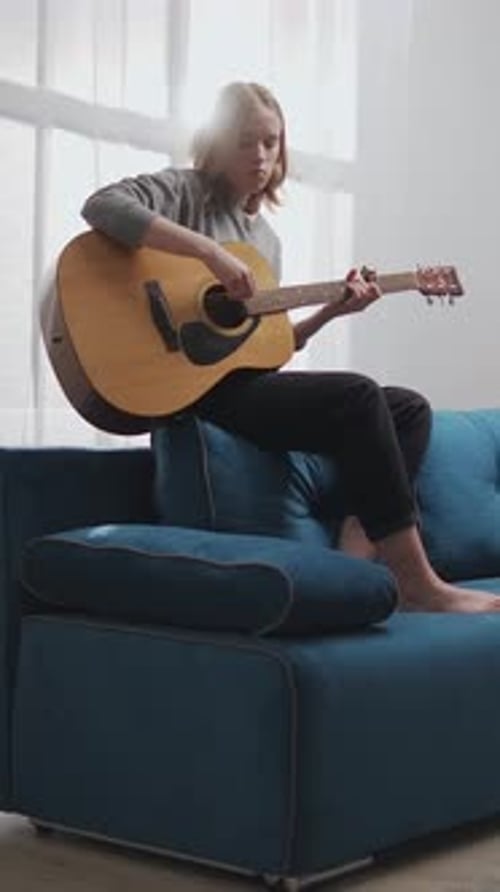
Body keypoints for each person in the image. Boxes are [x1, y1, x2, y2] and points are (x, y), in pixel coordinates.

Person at [82, 81, 500, 613]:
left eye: (271, 143)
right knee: (357, 395)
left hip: (237, 381)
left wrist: (332, 311)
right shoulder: (183, 192)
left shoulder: (265, 242)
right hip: (191, 386)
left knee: (408, 409)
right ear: (217, 142)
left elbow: (263, 350)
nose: (259, 156)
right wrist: (208, 252)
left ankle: (352, 563)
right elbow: (101, 205)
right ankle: (420, 583)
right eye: (244, 142)